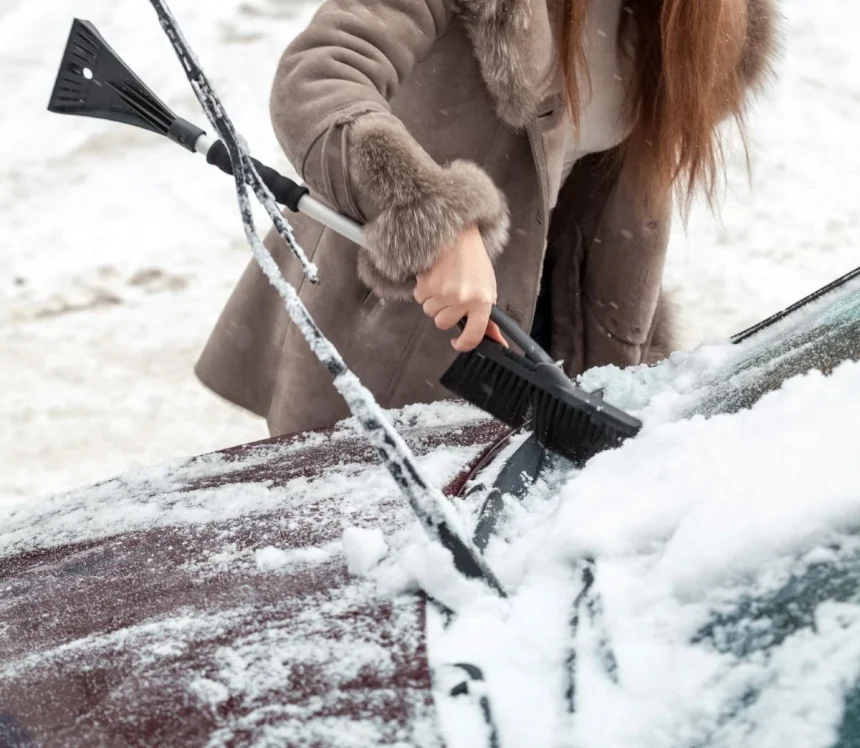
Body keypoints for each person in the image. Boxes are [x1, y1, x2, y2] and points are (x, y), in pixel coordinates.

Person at [196, 0, 778, 437]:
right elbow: (319, 75)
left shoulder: (706, 20)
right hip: (401, 325)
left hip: (550, 340)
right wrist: (432, 218)